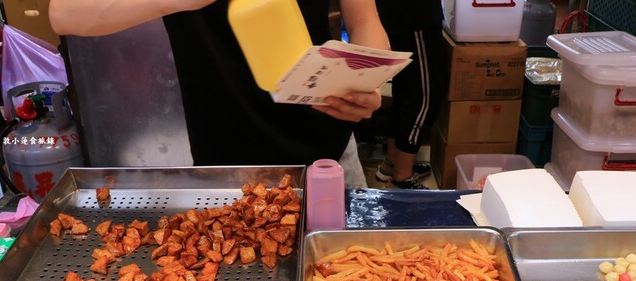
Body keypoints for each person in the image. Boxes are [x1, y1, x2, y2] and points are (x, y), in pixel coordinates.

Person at [48, 0, 389, 186]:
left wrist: (367, 80)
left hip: (327, 150)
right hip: (227, 162)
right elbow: (65, 13)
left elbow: (364, 20)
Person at [374, 0, 447, 190]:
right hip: (415, 15)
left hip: (404, 15)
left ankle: (392, 163)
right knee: (426, 97)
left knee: (406, 89)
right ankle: (402, 177)